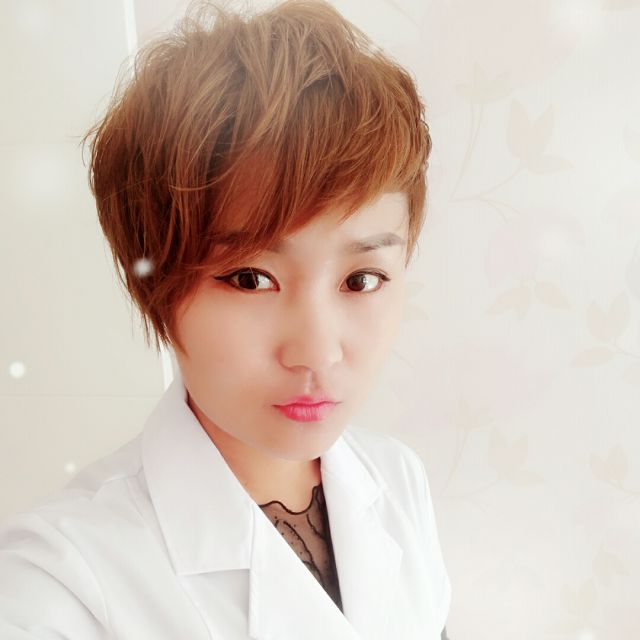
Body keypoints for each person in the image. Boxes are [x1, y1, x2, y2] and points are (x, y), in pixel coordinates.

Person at [0, 0, 452, 638]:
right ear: (156, 288)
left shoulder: (397, 480)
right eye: (250, 279)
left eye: (362, 280)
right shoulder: (57, 584)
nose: (317, 351)